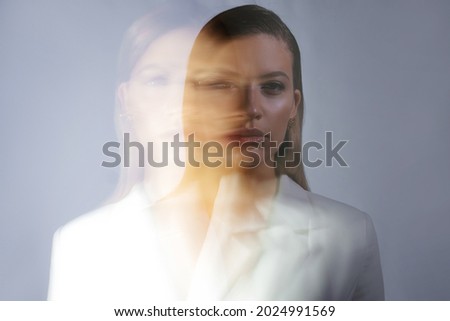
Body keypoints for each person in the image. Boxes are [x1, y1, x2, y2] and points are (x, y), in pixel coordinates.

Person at [48, 4, 384, 301]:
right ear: (126, 99)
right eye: (159, 80)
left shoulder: (346, 234)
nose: (179, 104)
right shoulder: (80, 245)